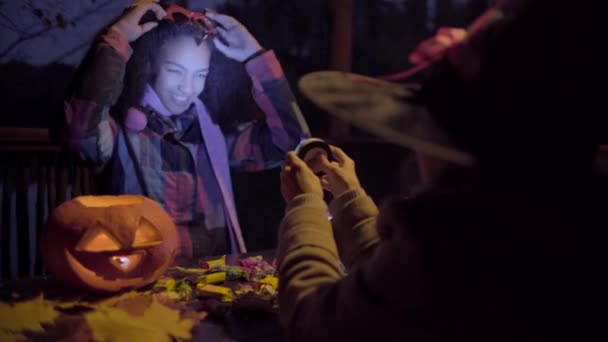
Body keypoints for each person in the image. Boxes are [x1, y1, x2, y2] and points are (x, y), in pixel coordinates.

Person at [277, 0, 605, 340]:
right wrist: (349, 199)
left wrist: (306, 206)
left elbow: (316, 322)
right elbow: (395, 290)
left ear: (456, 152)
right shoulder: (564, 221)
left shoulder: (451, 236)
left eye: (423, 133)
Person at [62, 0, 310, 259]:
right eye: (175, 71)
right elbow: (80, 137)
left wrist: (256, 57)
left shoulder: (213, 138)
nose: (187, 87)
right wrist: (118, 38)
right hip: (138, 281)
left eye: (199, 75)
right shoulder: (121, 132)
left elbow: (292, 143)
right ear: (151, 67)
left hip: (212, 282)